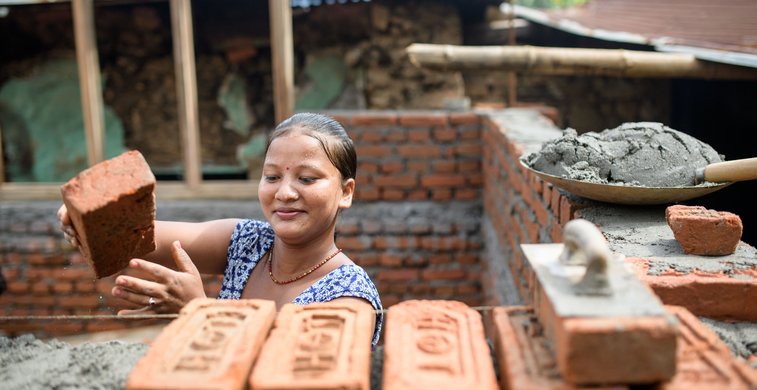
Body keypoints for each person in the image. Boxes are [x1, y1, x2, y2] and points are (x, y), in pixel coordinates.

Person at [59, 112, 383, 347]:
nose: (284, 192)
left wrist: (201, 311)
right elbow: (135, 237)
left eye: (307, 179)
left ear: (346, 191)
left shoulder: (350, 297)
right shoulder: (247, 243)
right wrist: (87, 219)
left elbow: (298, 372)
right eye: (271, 177)